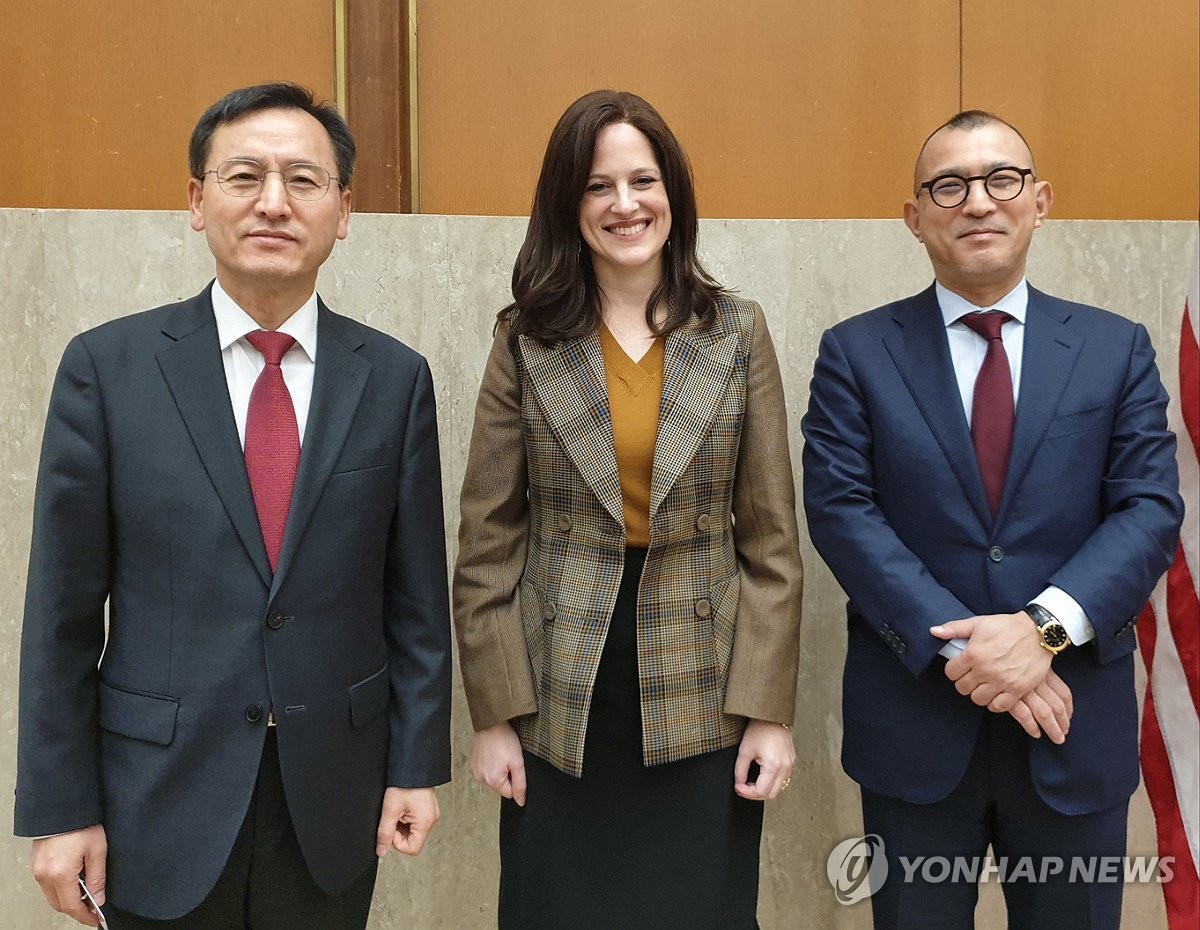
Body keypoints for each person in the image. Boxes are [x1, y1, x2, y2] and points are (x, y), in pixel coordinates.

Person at [15, 82, 453, 930]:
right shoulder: (107, 371)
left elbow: (416, 606)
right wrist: (61, 810)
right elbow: (61, 616)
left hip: (333, 799)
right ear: (195, 200)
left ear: (344, 209)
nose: (273, 203)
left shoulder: (395, 381)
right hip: (157, 801)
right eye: (244, 176)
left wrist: (414, 766)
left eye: (302, 180)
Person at [802, 110, 1183, 929]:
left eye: (1001, 179)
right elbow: (842, 511)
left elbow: (1148, 509)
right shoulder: (856, 352)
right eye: (950, 185)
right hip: (917, 734)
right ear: (915, 217)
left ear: (1038, 202)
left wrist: (1040, 630)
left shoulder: (1116, 349)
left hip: (1071, 727)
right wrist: (975, 647)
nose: (977, 202)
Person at [453, 89, 804, 929]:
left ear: (672, 192)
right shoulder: (525, 339)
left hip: (705, 687)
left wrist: (769, 712)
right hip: (560, 690)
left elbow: (772, 543)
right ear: (567, 205)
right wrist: (496, 715)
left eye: (642, 180)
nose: (624, 204)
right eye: (597, 186)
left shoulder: (735, 331)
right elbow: (488, 539)